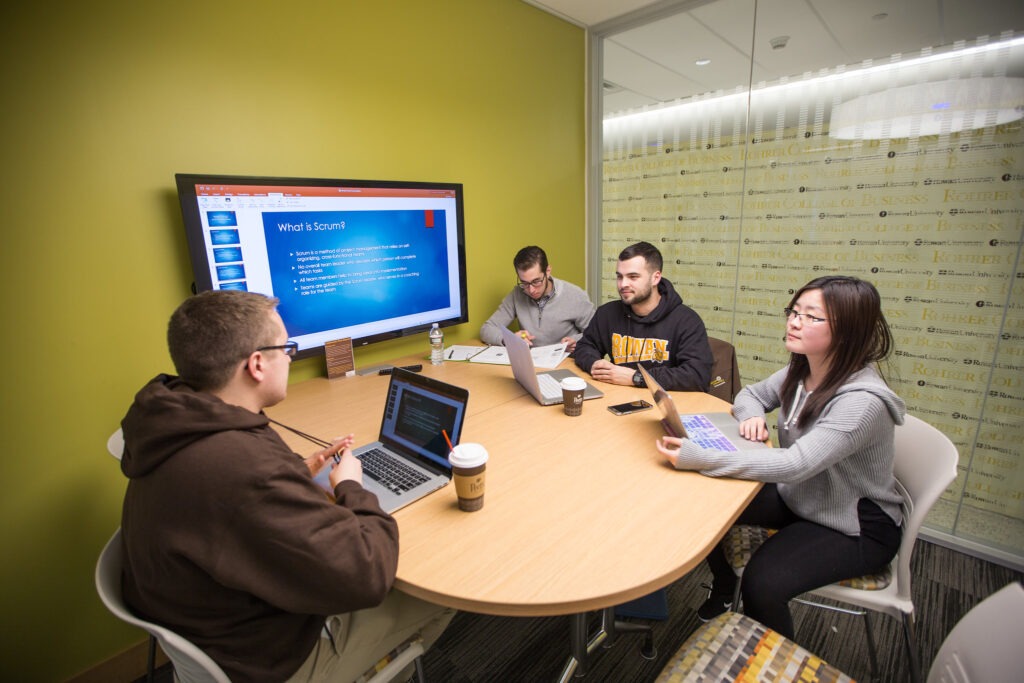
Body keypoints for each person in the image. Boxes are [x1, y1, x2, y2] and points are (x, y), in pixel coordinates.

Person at [119, 290, 453, 682]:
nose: (291, 356)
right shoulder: (246, 471)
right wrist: (350, 487)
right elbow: (368, 573)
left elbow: (241, 497)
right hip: (272, 658)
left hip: (215, 628)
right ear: (257, 364)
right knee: (440, 591)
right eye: (286, 347)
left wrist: (297, 469)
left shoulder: (174, 420)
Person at [655, 275, 904, 641]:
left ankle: (774, 659)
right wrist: (752, 414)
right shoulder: (803, 369)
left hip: (853, 524)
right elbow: (750, 395)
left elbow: (795, 463)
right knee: (708, 507)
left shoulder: (861, 402)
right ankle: (725, 589)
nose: (794, 321)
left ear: (849, 331)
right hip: (803, 494)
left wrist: (702, 457)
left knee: (763, 582)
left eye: (811, 316)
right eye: (794, 311)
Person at [573, 241, 712, 392]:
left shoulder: (686, 320)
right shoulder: (607, 313)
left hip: (665, 404)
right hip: (619, 398)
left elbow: (697, 376)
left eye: (633, 277)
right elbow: (585, 346)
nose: (623, 284)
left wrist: (637, 378)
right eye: (619, 277)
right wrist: (594, 364)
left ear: (655, 278)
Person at [479, 245, 595, 352]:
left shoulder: (575, 295)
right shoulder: (517, 294)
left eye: (536, 281)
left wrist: (576, 340)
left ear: (548, 271)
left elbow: (596, 333)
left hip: (566, 360)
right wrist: (509, 339)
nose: (531, 290)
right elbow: (487, 329)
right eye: (524, 283)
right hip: (531, 362)